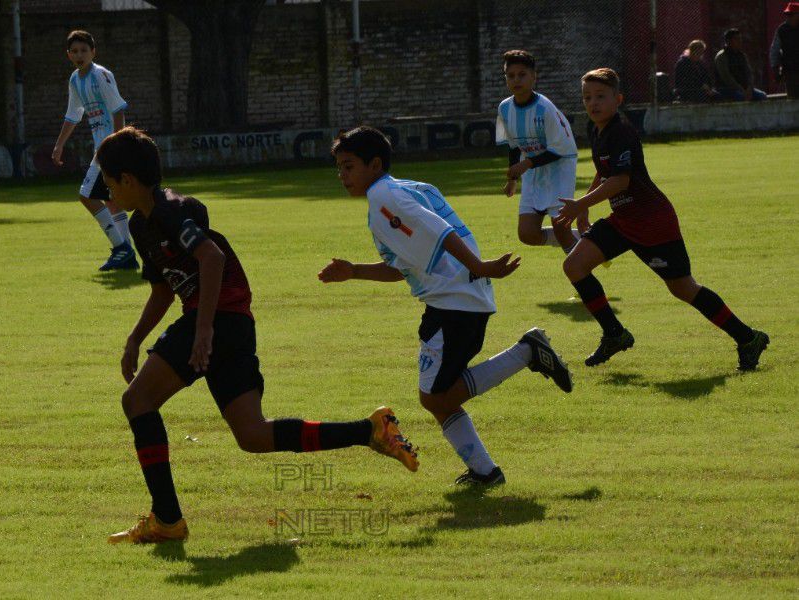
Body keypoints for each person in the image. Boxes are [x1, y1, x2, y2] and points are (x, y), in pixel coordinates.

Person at [97, 127, 419, 544]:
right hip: (229, 323)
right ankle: (372, 430)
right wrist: (135, 339)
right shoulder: (142, 226)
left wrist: (204, 330)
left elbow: (211, 258)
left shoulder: (171, 210)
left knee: (137, 401)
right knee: (253, 435)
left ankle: (168, 520)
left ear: (127, 180)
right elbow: (164, 287)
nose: (107, 196)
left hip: (218, 319)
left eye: (108, 185)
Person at [319, 126, 572, 487]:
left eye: (348, 167)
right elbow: (406, 266)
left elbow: (439, 231)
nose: (341, 176)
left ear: (374, 164)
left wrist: (480, 266)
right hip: (458, 298)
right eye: (339, 168)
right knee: (438, 398)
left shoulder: (384, 197)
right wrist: (354, 271)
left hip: (454, 303)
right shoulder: (408, 188)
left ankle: (527, 353)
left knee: (435, 397)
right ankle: (486, 472)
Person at [557, 68, 769, 371]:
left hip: (653, 222)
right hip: (624, 219)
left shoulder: (622, 131)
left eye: (601, 96)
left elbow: (620, 181)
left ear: (618, 99)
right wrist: (585, 207)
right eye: (587, 97)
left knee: (683, 288)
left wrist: (580, 204)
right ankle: (614, 334)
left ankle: (748, 338)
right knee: (574, 266)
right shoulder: (597, 130)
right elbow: (605, 172)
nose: (593, 103)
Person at [52, 30, 138, 272]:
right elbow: (73, 115)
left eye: (84, 50)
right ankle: (127, 256)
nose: (79, 55)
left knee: (86, 195)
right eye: (75, 51)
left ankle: (121, 248)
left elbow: (118, 108)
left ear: (93, 52)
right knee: (112, 202)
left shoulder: (100, 75)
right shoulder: (75, 80)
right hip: (101, 148)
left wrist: (118, 143)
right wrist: (59, 144)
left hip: (109, 148)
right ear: (68, 54)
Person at [496, 50, 580, 255]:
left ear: (534, 76)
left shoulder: (545, 108)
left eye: (522, 74)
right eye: (511, 75)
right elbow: (514, 144)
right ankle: (584, 240)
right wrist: (513, 179)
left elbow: (561, 149)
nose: (516, 79)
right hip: (534, 170)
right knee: (527, 234)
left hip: (559, 168)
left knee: (561, 227)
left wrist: (525, 165)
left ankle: (581, 265)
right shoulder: (505, 108)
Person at [714, 29, 767, 101]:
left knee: (762, 96)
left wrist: (749, 88)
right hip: (727, 89)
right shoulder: (722, 56)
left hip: (745, 88)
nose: (740, 41)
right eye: (736, 39)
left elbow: (749, 73)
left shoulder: (741, 55)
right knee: (740, 97)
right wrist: (741, 89)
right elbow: (726, 77)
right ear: (728, 41)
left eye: (740, 38)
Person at [770, 2, 799, 98]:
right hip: (791, 72)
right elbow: (775, 50)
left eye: (791, 15)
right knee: (793, 100)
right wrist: (775, 68)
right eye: (787, 15)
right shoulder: (782, 30)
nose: (788, 17)